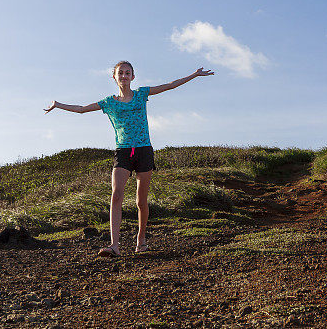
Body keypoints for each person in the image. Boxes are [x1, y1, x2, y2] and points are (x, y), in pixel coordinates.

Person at [44, 61, 214, 256]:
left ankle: (141, 240)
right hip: (123, 151)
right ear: (114, 77)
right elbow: (81, 109)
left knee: (141, 201)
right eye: (120, 73)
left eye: (127, 73)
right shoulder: (109, 102)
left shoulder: (142, 94)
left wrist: (194, 75)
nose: (124, 76)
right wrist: (58, 105)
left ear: (133, 77)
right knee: (116, 195)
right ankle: (114, 246)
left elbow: (169, 86)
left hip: (143, 150)